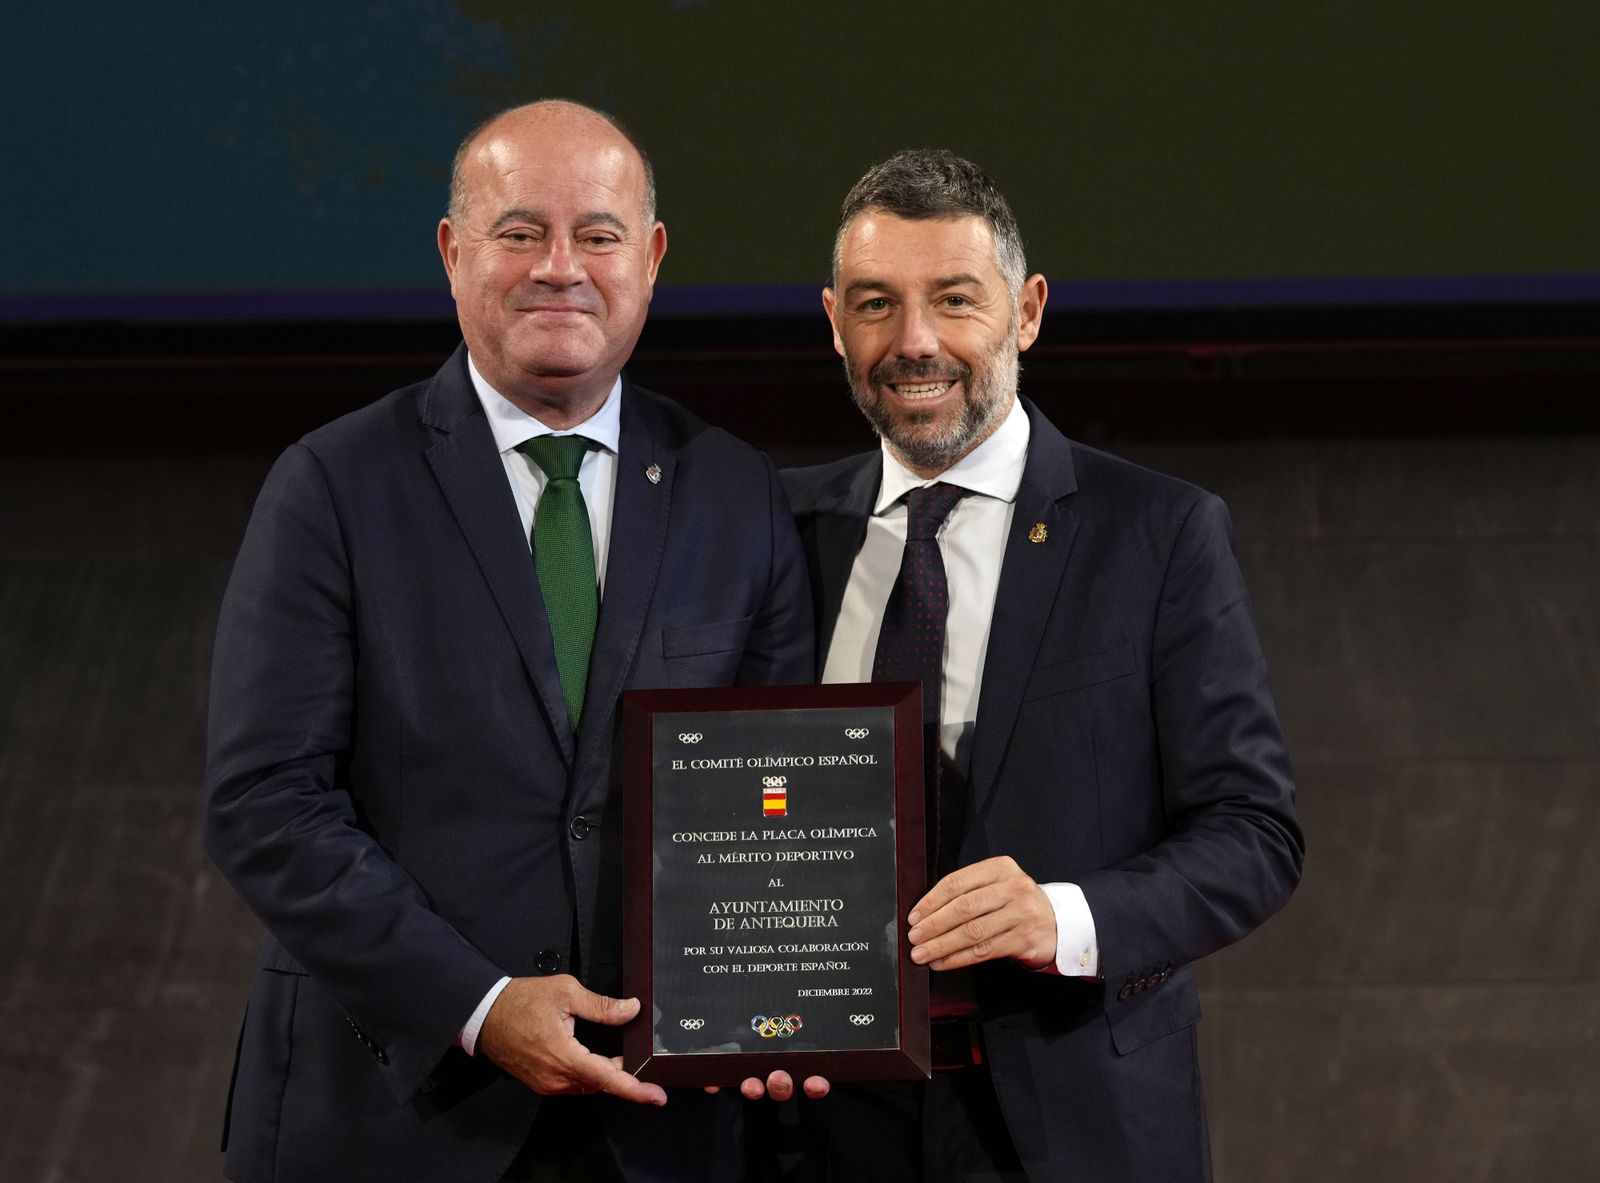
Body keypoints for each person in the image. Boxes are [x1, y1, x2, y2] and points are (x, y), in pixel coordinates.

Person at [204, 100, 813, 1182]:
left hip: (659, 1120)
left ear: (652, 258)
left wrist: (782, 1000)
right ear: (452, 252)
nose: (560, 268)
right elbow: (265, 805)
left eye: (599, 234)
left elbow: (771, 798)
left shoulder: (738, 492)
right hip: (392, 1116)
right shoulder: (332, 486)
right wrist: (478, 1007)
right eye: (519, 231)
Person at [777, 149, 1305, 1182]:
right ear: (834, 321)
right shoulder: (772, 530)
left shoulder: (1157, 534)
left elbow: (1254, 832)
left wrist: (1065, 916)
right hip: (818, 1122)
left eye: (954, 300)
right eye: (877, 304)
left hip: (1074, 1118)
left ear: (1025, 312)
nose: (914, 341)